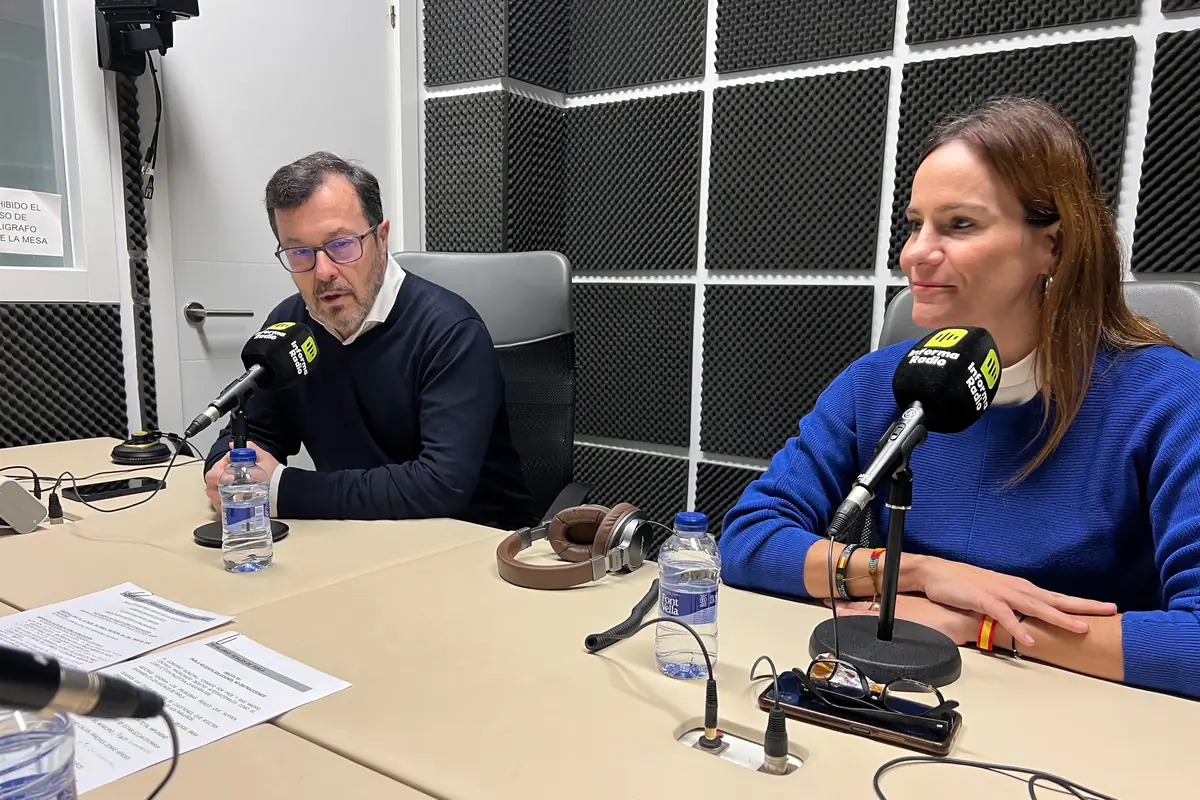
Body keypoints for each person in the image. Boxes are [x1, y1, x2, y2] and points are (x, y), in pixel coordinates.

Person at [719, 97, 1200, 699]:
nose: (915, 253)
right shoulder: (878, 382)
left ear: (1052, 247)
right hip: (903, 697)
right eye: (915, 223)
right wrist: (919, 576)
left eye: (959, 224)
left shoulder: (1167, 399)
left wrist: (982, 623)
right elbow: (748, 539)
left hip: (1079, 719)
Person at [203, 151, 534, 528]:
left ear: (381, 238)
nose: (323, 271)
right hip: (358, 537)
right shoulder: (288, 326)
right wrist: (225, 471)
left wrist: (279, 491)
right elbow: (253, 431)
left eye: (341, 244)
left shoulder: (450, 331)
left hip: (472, 544)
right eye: (299, 252)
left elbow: (441, 485)